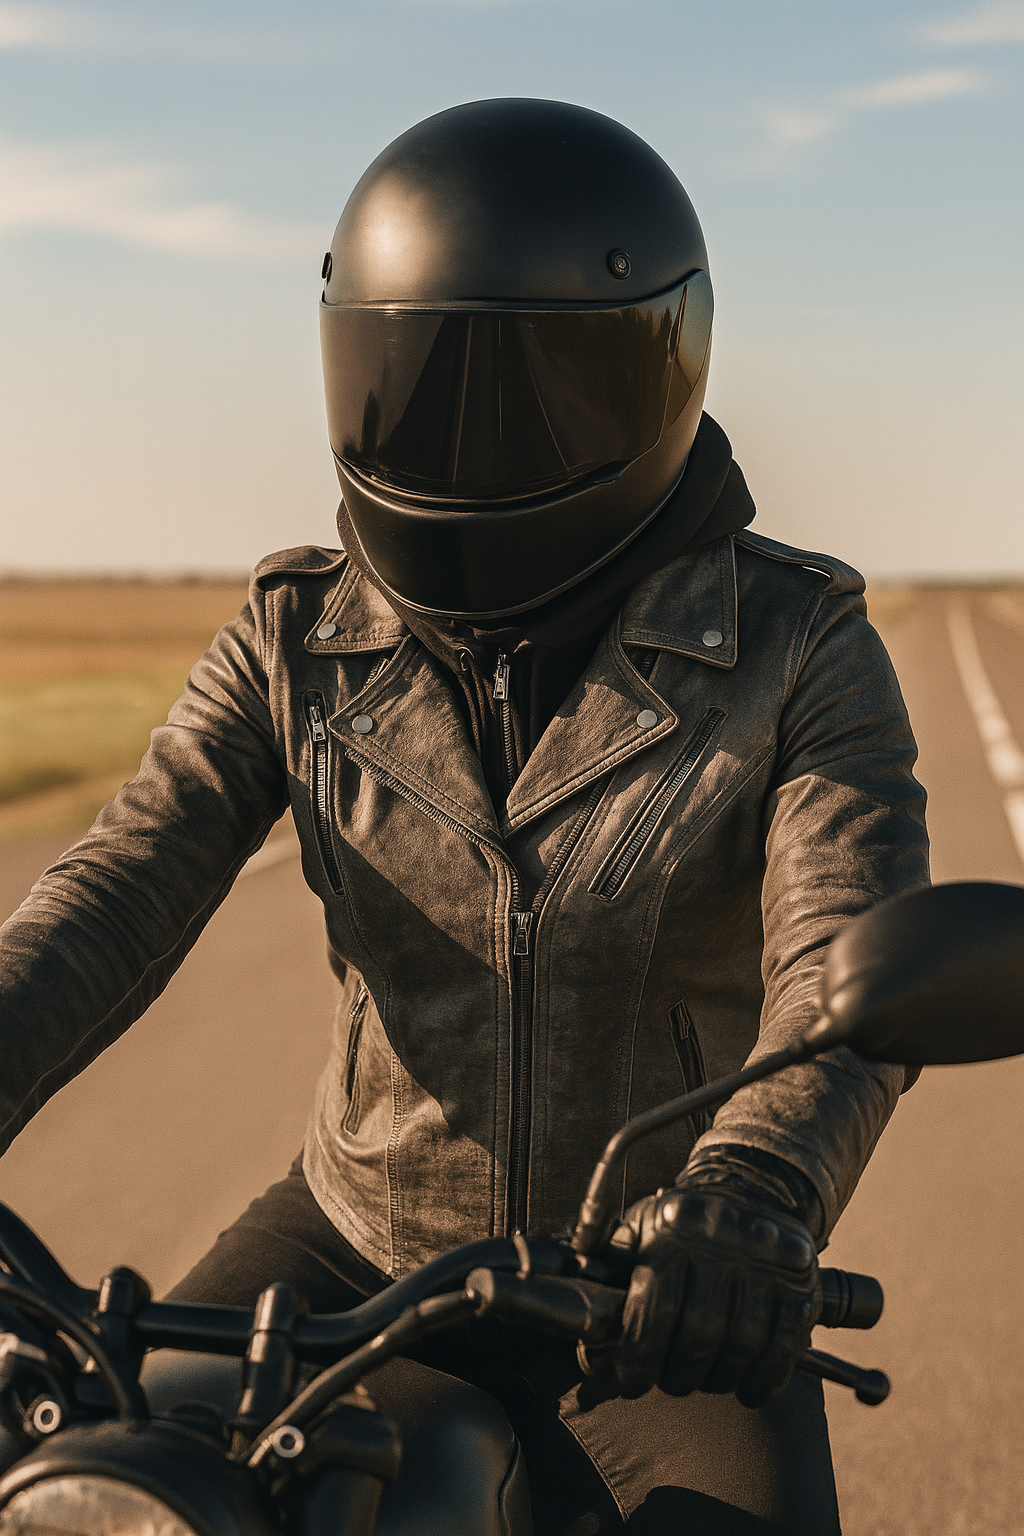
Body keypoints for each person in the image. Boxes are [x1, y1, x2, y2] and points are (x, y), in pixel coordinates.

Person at [0, 99, 928, 1533]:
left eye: (520, 394)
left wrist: (754, 1193)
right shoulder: (294, 639)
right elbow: (122, 880)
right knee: (93, 1483)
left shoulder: (799, 648)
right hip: (353, 1236)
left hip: (662, 1286)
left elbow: (840, 973)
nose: (455, 440)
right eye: (411, 380)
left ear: (646, 372)